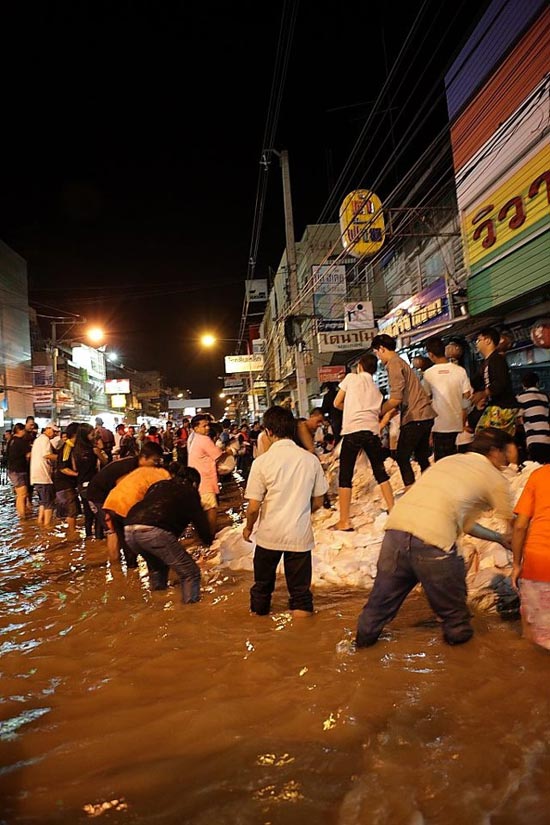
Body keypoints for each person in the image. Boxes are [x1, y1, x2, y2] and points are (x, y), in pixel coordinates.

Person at [355, 428, 515, 648]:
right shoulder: (495, 478)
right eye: (507, 451)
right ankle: (463, 665)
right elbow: (515, 526)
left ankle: (360, 650)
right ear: (495, 452)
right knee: (456, 619)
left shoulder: (448, 462)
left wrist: (497, 538)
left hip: (396, 533)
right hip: (433, 544)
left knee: (377, 608)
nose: (509, 457)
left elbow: (464, 523)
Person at [243, 405, 328, 617]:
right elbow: (318, 500)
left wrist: (248, 528)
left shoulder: (262, 462)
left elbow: (253, 507)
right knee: (301, 595)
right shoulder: (310, 460)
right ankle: (302, 634)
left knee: (262, 589)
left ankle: (259, 629)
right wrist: (302, 512)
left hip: (269, 536)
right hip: (299, 536)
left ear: (268, 431)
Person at [124, 466, 214, 603]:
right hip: (153, 531)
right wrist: (209, 541)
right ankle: (191, 611)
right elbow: (200, 523)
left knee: (158, 568)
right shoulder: (190, 491)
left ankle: (157, 605)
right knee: (191, 573)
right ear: (195, 483)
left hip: (129, 529)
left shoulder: (158, 485)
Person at [332, 353, 394, 529]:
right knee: (380, 471)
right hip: (371, 432)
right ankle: (393, 509)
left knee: (346, 475)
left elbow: (337, 403)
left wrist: (349, 409)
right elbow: (378, 411)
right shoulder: (376, 389)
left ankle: (344, 521)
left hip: (353, 431)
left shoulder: (351, 378)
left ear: (359, 366)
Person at [371, 334, 435, 490]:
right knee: (421, 457)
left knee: (402, 456)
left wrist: (377, 412)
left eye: (376, 352)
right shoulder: (400, 361)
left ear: (381, 348)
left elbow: (395, 398)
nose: (378, 357)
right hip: (424, 415)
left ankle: (411, 491)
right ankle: (431, 490)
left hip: (415, 416)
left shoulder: (393, 364)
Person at [87, 441, 164, 561]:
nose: (156, 464)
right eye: (154, 460)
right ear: (144, 457)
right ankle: (115, 566)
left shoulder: (137, 466)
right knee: (112, 530)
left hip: (110, 495)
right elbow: (122, 491)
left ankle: (123, 566)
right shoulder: (129, 468)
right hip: (98, 496)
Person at [511, 445, 550, 650]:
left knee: (531, 633)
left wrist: (516, 564)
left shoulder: (539, 475)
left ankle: (529, 665)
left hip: (538, 560)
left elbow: (520, 526)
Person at [102, 459, 170, 567]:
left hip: (111, 502)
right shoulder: (163, 475)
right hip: (127, 506)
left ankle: (127, 570)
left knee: (125, 542)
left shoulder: (140, 471)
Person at [423, 336, 472, 461]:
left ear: (430, 354)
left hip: (439, 424)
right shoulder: (460, 371)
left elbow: (425, 399)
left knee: (442, 461)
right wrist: (463, 420)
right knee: (454, 458)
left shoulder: (428, 374)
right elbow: (467, 397)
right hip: (456, 423)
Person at [187, 414, 237, 535]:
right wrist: (229, 452)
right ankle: (210, 537)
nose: (208, 428)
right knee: (211, 508)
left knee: (202, 510)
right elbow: (218, 455)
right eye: (204, 426)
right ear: (195, 428)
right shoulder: (204, 439)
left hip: (197, 479)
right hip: (205, 479)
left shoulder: (193, 438)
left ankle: (203, 535)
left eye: (207, 425)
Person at [470, 328, 518, 435]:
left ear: (488, 341)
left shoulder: (497, 359)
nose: (476, 343)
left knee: (492, 439)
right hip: (494, 408)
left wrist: (484, 393)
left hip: (503, 408)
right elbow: (475, 381)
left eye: (478, 340)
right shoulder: (485, 363)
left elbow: (500, 382)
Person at [72, 423, 108, 538]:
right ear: (85, 436)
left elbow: (74, 468)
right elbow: (105, 462)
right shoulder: (93, 450)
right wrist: (99, 451)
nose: (93, 436)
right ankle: (98, 537)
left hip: (81, 484)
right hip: (93, 484)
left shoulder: (75, 450)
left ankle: (88, 537)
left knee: (88, 513)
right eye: (92, 434)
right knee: (98, 512)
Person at [53, 422, 80, 539]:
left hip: (66, 485)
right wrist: (78, 475)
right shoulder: (68, 447)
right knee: (71, 511)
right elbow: (63, 468)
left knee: (70, 512)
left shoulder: (71, 446)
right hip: (64, 485)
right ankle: (72, 536)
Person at [515, 372, 550, 463]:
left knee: (536, 466)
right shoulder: (545, 396)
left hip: (533, 439)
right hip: (547, 438)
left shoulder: (521, 397)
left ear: (523, 385)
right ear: (537, 383)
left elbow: (518, 418)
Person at [29, 422, 59, 528]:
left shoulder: (38, 440)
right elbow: (47, 455)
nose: (55, 434)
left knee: (43, 502)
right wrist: (61, 458)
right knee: (49, 504)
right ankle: (47, 528)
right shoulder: (45, 440)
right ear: (48, 429)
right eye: (54, 431)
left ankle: (40, 523)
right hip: (43, 476)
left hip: (36, 476)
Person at [8, 423, 32, 519]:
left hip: (12, 469)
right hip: (19, 470)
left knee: (20, 494)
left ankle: (21, 515)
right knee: (22, 494)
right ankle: (22, 517)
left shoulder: (11, 441)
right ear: (20, 431)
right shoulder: (20, 442)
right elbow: (29, 454)